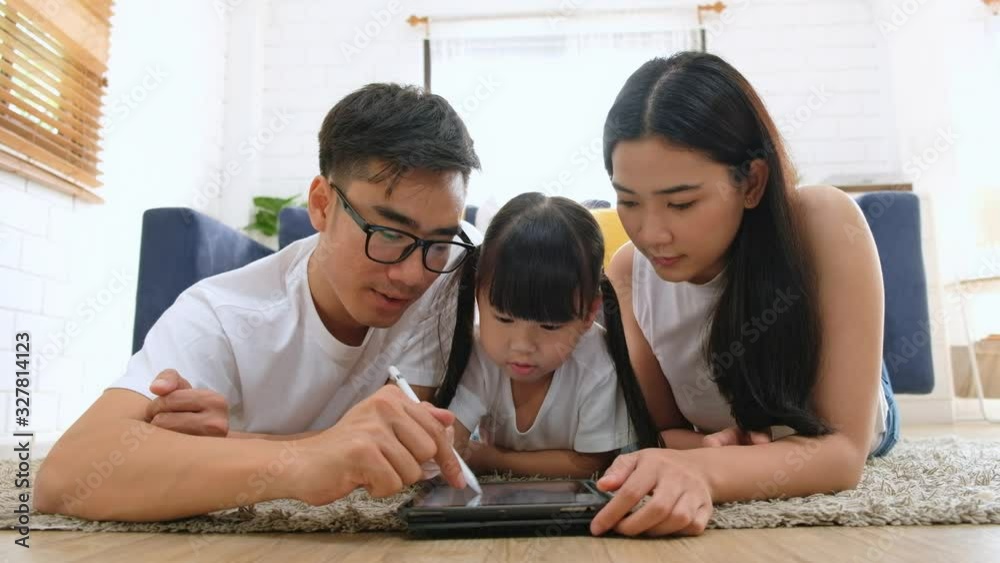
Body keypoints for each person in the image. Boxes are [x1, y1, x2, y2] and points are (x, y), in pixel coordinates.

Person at [34, 83, 482, 521]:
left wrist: (232, 443)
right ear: (322, 205)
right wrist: (299, 462)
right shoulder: (224, 314)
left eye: (438, 242)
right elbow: (67, 473)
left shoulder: (445, 279)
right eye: (387, 234)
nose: (412, 275)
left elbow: (402, 448)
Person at [589, 52, 900, 537]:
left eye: (681, 203)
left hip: (848, 403)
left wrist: (706, 471)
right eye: (627, 201)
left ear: (751, 182)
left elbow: (841, 453)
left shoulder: (822, 222)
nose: (652, 234)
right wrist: (710, 451)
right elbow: (663, 432)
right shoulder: (628, 269)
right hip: (730, 427)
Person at [435, 193, 661, 478]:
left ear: (590, 313)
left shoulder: (598, 365)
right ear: (478, 295)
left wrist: (493, 458)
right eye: (504, 319)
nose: (522, 346)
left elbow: (590, 464)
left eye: (550, 326)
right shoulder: (481, 353)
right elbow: (454, 435)